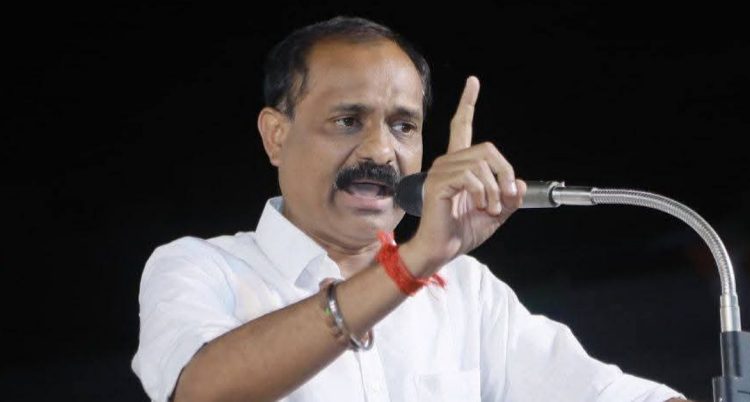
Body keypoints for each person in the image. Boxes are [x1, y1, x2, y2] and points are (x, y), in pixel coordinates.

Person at [132, 16, 691, 402]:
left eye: (403, 126)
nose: (381, 151)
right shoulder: (201, 268)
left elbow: (607, 393)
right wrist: (411, 264)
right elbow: (202, 391)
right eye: (348, 121)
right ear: (276, 136)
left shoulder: (466, 291)